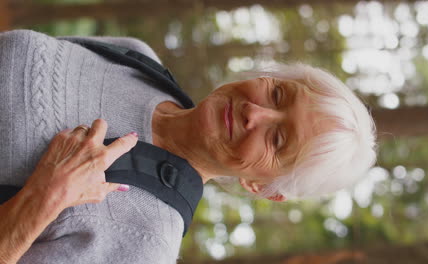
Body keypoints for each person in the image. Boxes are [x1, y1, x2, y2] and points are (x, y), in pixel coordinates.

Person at [0, 30, 376, 264]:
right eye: (278, 93)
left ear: (262, 188)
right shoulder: (137, 58)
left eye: (278, 140)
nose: (255, 113)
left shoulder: (143, 247)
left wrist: (43, 200)